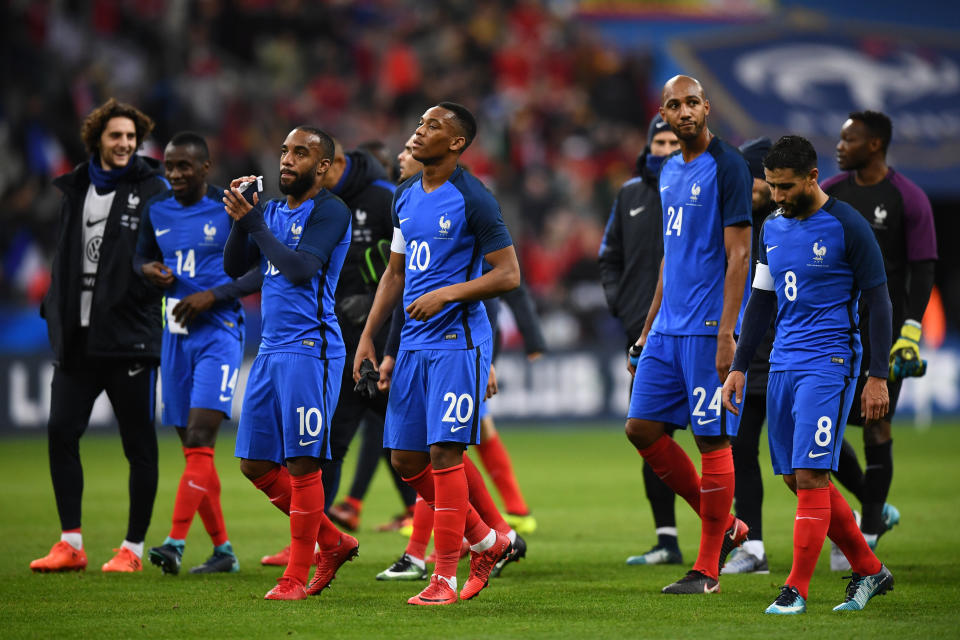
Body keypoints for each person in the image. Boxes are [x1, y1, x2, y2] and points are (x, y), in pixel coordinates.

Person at [354, 102, 521, 606]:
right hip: (412, 344)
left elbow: (508, 273)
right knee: (406, 458)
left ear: (456, 144)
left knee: (444, 453)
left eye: (433, 127)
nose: (419, 131)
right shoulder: (404, 194)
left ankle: (444, 577)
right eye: (421, 123)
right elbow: (395, 273)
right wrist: (368, 336)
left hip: (459, 343)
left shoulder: (474, 198)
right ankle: (489, 541)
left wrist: (449, 293)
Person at [722, 134, 895, 614]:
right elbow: (761, 300)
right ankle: (870, 569)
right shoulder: (772, 227)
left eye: (785, 186)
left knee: (813, 473)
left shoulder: (847, 225)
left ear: (812, 178)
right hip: (782, 364)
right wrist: (739, 367)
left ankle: (795, 589)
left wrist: (876, 375)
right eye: (771, 186)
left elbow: (878, 300)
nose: (775, 196)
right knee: (797, 480)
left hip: (831, 361)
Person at [623, 75, 752, 595]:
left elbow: (739, 254)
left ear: (707, 107)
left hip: (705, 329)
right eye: (673, 105)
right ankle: (729, 527)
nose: (684, 112)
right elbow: (670, 256)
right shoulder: (671, 170)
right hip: (667, 329)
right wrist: (647, 327)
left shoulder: (730, 166)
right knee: (641, 429)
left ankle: (707, 569)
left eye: (691, 103)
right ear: (664, 114)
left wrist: (727, 333)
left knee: (710, 437)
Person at [31, 99, 168, 574]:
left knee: (138, 445)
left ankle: (131, 548)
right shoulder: (76, 187)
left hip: (128, 337)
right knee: (60, 433)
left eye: (131, 137)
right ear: (97, 140)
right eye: (116, 136)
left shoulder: (154, 189)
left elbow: (170, 251)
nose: (125, 144)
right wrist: (54, 305)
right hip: (78, 337)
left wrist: (151, 284)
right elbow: (66, 256)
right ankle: (71, 543)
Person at [223, 126, 355, 601]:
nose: (286, 159)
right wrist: (242, 218)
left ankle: (295, 578)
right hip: (271, 350)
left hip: (311, 350)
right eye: (283, 151)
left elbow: (301, 270)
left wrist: (254, 223)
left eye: (300, 153)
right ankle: (332, 540)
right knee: (255, 464)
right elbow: (235, 268)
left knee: (302, 462)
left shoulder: (331, 211)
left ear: (322, 167)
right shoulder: (274, 211)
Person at [135, 132, 261, 575]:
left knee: (202, 436)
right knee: (192, 449)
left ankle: (174, 542)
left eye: (184, 167)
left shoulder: (230, 210)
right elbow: (141, 259)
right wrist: (148, 270)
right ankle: (224, 551)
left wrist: (214, 295)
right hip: (175, 336)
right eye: (169, 167)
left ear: (205, 168)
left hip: (219, 332)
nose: (174, 175)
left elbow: (259, 271)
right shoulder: (158, 211)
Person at [821, 111, 937, 561]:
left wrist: (911, 329)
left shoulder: (908, 198)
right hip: (836, 326)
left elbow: (923, 267)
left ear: (874, 145)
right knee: (825, 424)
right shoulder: (830, 193)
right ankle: (873, 504)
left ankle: (867, 529)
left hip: (886, 328)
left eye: (848, 139)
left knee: (876, 424)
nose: (839, 145)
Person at [599, 114, 686, 566]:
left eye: (674, 142)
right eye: (661, 142)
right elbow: (608, 257)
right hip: (645, 335)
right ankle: (667, 540)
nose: (667, 149)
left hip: (695, 332)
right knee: (649, 434)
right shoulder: (630, 194)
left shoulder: (700, 192)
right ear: (649, 147)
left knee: (722, 440)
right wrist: (624, 307)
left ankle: (740, 535)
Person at [722, 137, 777, 575]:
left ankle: (864, 512)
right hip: (748, 351)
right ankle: (753, 544)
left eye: (751, 177)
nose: (746, 186)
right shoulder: (735, 221)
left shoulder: (789, 221)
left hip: (792, 351)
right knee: (741, 446)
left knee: (802, 457)